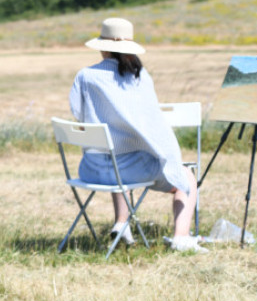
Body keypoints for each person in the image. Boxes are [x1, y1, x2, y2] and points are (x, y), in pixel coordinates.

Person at [69, 18, 203, 253]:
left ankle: (122, 222)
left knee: (116, 152)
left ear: (102, 46)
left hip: (90, 170)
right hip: (124, 171)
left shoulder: (85, 76)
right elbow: (152, 122)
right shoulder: (138, 77)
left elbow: (78, 112)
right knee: (186, 177)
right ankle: (181, 237)